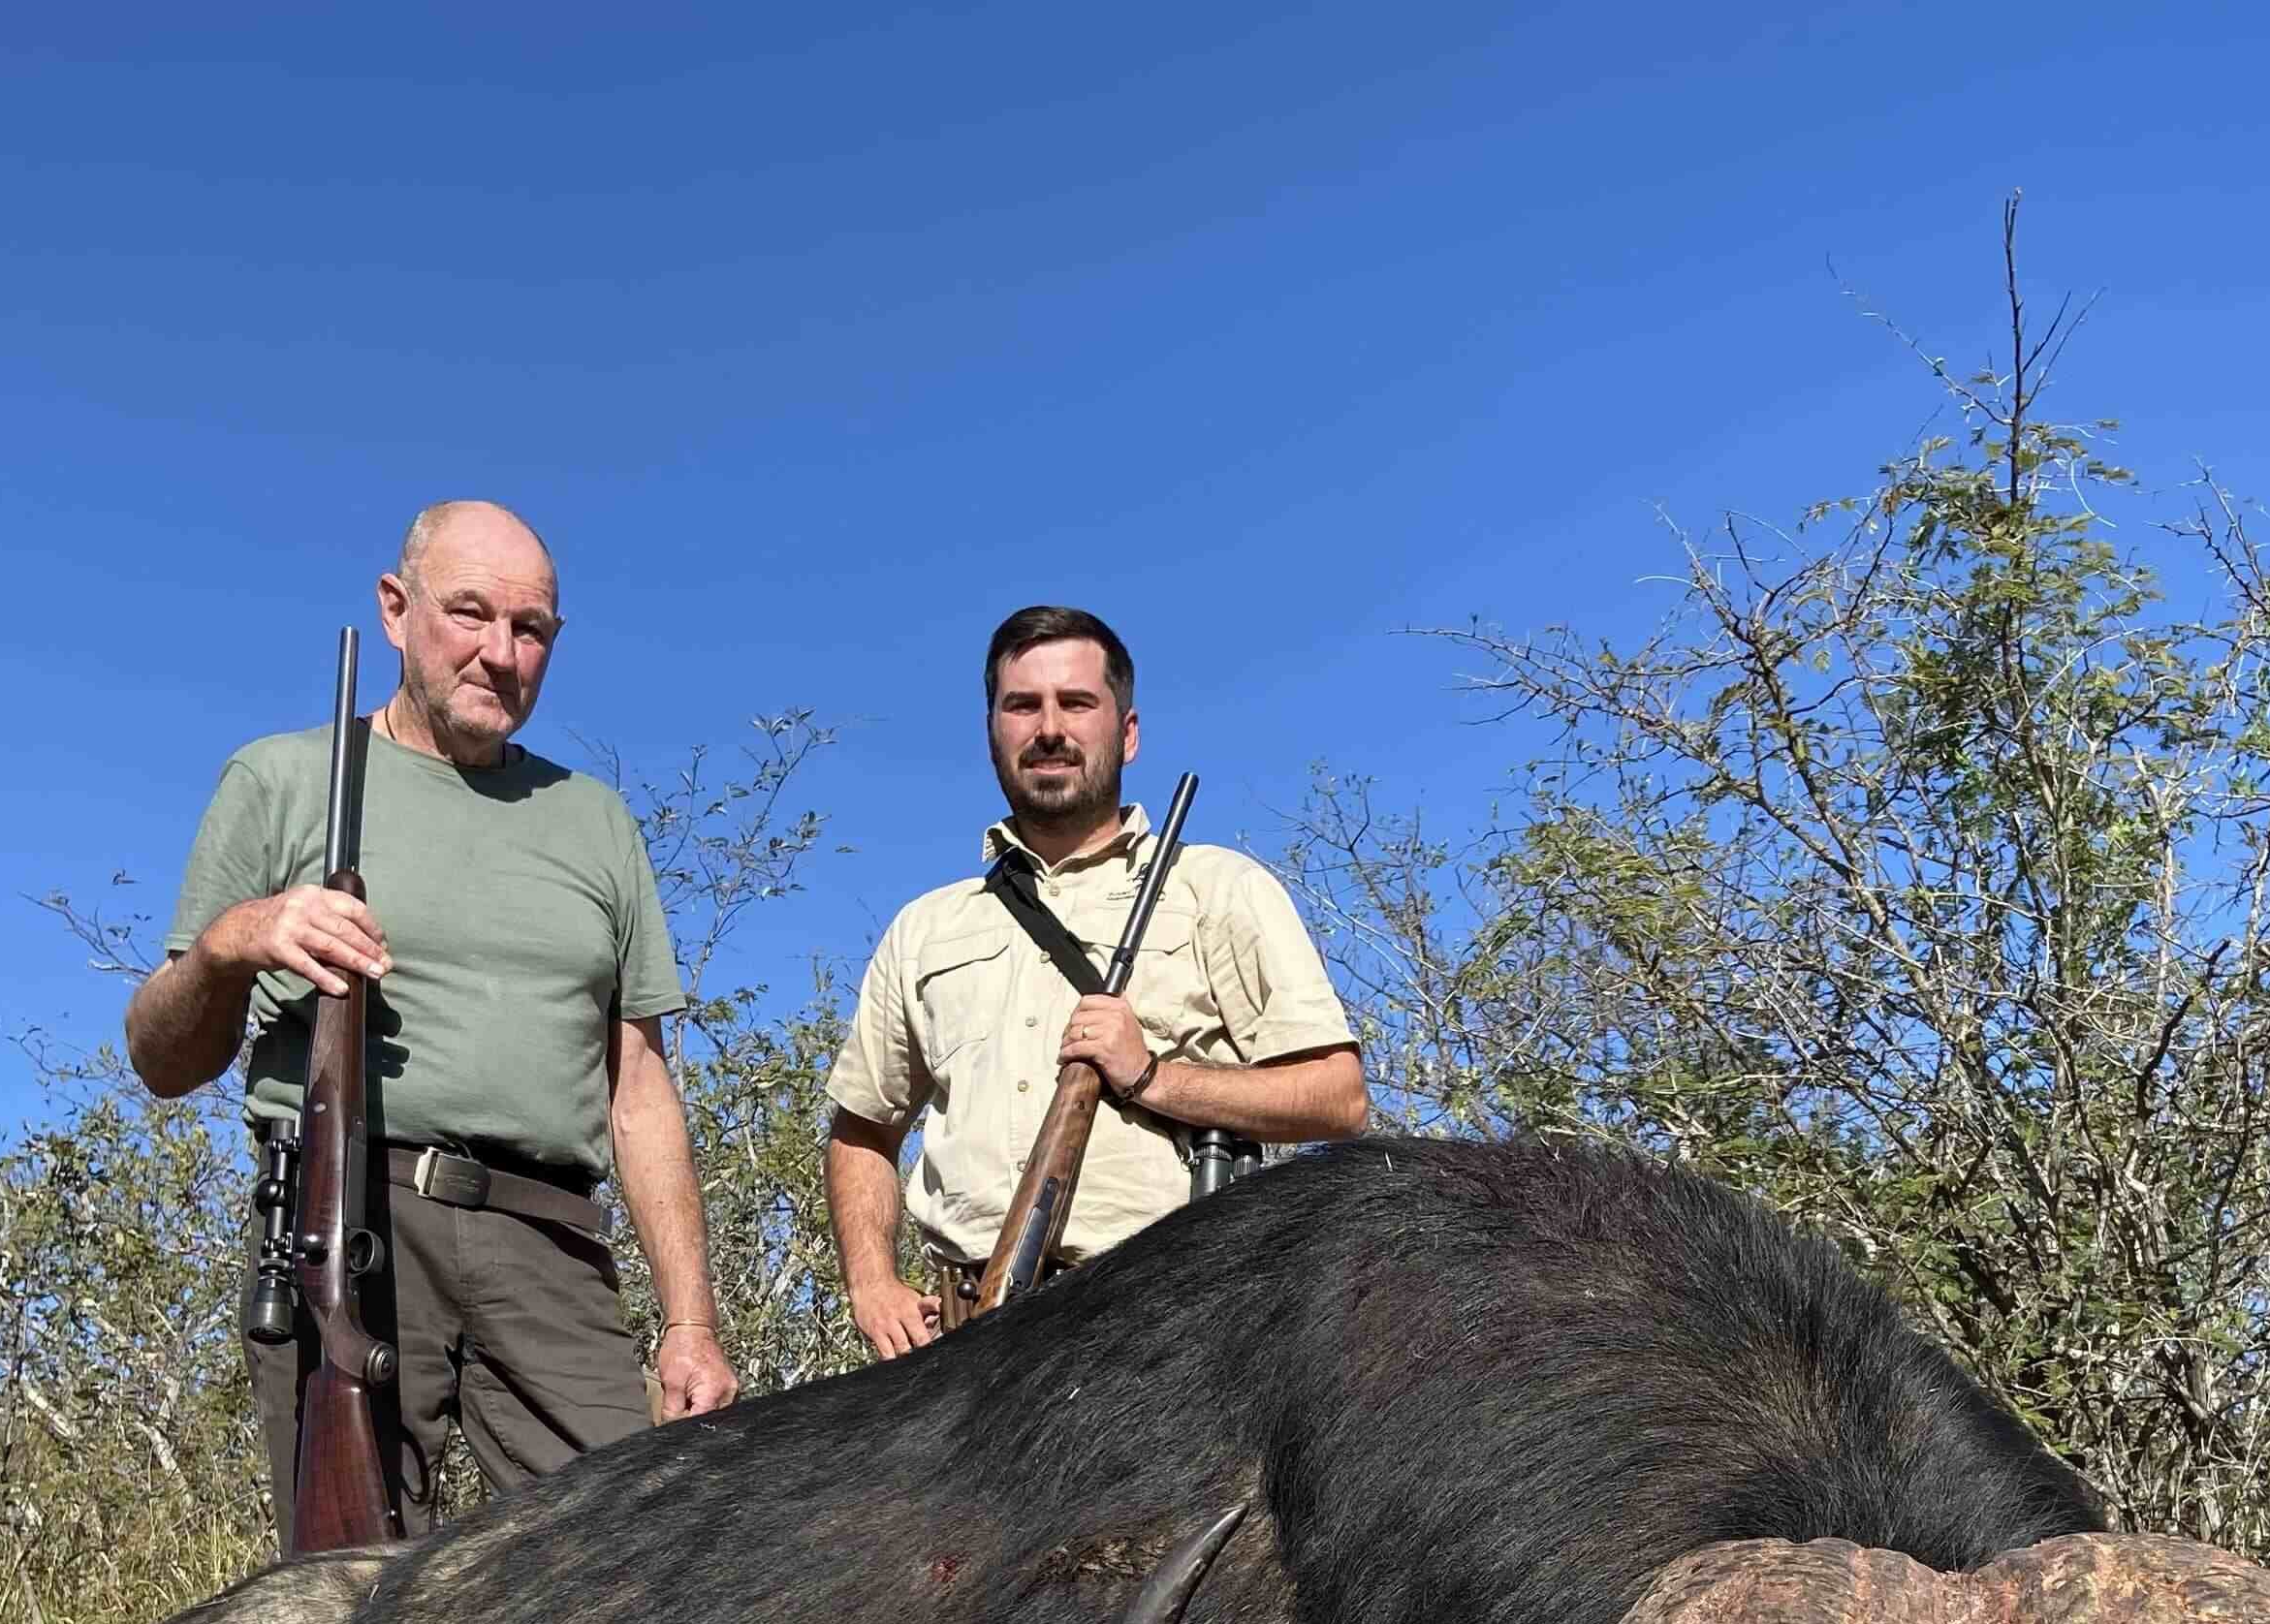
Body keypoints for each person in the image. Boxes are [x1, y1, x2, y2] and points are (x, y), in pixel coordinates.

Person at [126, 500, 740, 1540]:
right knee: (349, 1593)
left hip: (549, 1239)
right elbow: (161, 1056)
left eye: (532, 628)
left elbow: (639, 1086)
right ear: (396, 610)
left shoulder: (595, 821)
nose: (502, 654)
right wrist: (238, 938)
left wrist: (689, 1321)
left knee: (636, 1564)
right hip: (352, 1221)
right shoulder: (279, 780)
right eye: (470, 614)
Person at [823, 605, 1370, 1355]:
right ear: (994, 731)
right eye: (1023, 705)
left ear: (1128, 731)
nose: (1050, 728)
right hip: (961, 1348)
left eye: (1077, 703)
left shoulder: (1216, 887)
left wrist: (1150, 1077)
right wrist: (872, 1284)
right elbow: (863, 1128)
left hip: (1162, 1330)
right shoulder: (926, 927)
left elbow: (1338, 1099)